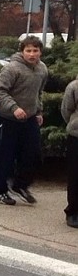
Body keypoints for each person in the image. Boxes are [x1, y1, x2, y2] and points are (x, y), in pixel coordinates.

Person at [0, 35, 47, 206]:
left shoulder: (42, 69)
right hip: (7, 119)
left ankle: (20, 185)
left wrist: (38, 111)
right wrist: (14, 108)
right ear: (22, 52)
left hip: (29, 118)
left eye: (35, 51)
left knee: (32, 154)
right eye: (28, 50)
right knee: (3, 157)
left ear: (40, 52)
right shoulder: (12, 69)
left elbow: (39, 92)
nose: (32, 54)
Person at [60, 75, 78, 228]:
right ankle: (72, 212)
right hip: (76, 136)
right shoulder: (73, 87)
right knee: (75, 176)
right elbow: (66, 110)